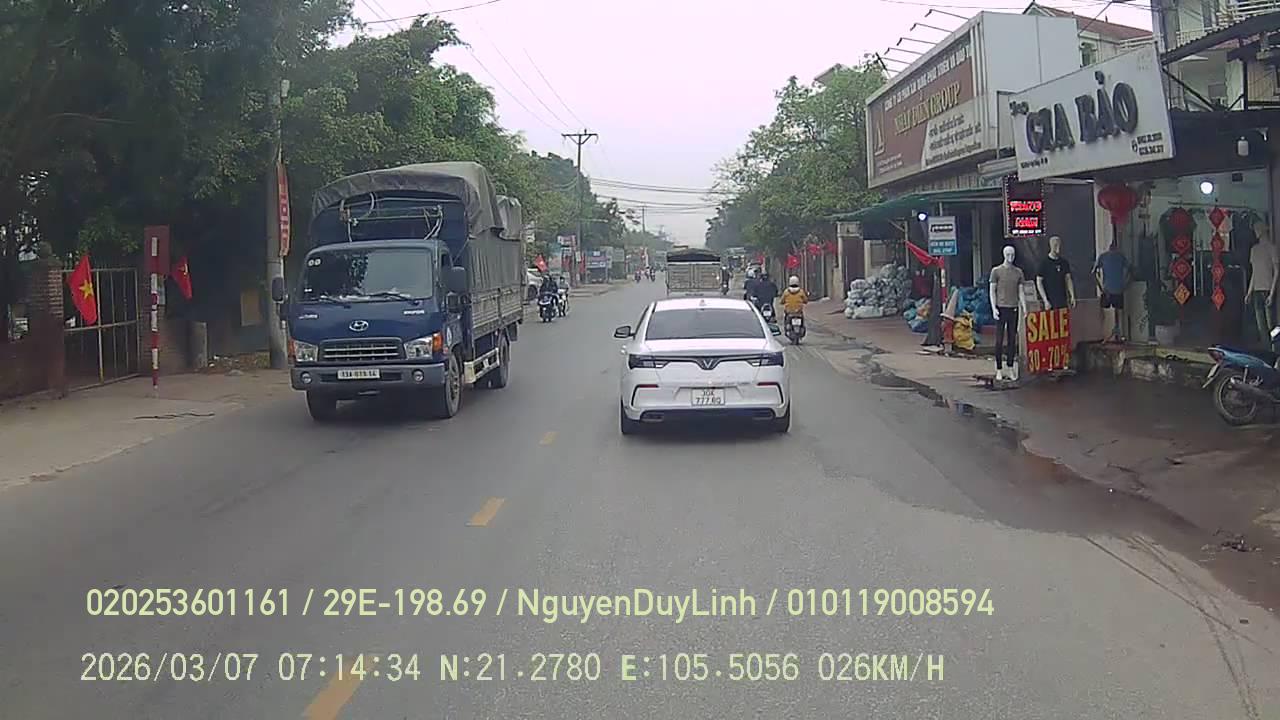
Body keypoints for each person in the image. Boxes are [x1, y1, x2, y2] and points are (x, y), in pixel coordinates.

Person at [1093, 240, 1132, 343]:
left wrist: (1100, 287)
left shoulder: (1105, 256)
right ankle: (1119, 334)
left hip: (1108, 289)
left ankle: (1107, 335)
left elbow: (1094, 272)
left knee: (1106, 313)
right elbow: (1131, 271)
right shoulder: (1120, 257)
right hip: (1116, 289)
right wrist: (1125, 284)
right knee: (1118, 312)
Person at [1248, 221, 1278, 345]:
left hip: (1267, 289)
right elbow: (1254, 273)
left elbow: (1277, 271)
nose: (1256, 231)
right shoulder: (1254, 250)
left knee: (1271, 324)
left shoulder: (1272, 248)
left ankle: (1275, 348)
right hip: (1257, 290)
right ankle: (1266, 348)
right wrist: (1249, 292)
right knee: (1261, 325)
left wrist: (1272, 293)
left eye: (1258, 228)